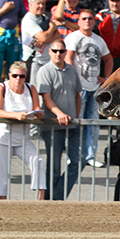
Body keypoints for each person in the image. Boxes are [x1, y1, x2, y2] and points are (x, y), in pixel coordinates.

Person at [0, 61, 46, 200]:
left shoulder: (30, 88)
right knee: (2, 171)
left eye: (21, 76)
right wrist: (16, 115)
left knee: (38, 161)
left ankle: (41, 200)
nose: (18, 79)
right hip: (2, 136)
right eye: (15, 76)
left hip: (22, 137)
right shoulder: (1, 87)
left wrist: (38, 113)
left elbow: (37, 108)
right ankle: (3, 202)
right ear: (9, 76)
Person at [65, 8, 113, 169]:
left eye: (90, 18)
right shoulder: (73, 37)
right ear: (78, 21)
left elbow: (108, 59)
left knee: (92, 123)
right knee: (76, 122)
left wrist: (105, 78)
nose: (87, 21)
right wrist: (74, 81)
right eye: (84, 18)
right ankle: (74, 155)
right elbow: (69, 58)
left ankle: (90, 155)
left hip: (94, 87)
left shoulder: (98, 40)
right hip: (79, 88)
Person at [37, 39, 83, 200]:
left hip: (72, 124)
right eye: (55, 51)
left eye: (61, 51)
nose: (58, 54)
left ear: (65, 53)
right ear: (49, 52)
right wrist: (59, 114)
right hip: (53, 125)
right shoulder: (44, 71)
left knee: (78, 162)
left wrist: (76, 117)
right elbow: (46, 97)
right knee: (54, 166)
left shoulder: (71, 70)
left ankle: (56, 197)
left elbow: (78, 95)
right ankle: (52, 201)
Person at [20, 0, 60, 85]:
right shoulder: (28, 19)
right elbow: (44, 37)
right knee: (34, 90)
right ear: (31, 4)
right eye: (38, 3)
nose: (41, 6)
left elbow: (57, 36)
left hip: (47, 60)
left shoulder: (44, 17)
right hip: (34, 61)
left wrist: (46, 38)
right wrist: (52, 28)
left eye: (43, 3)